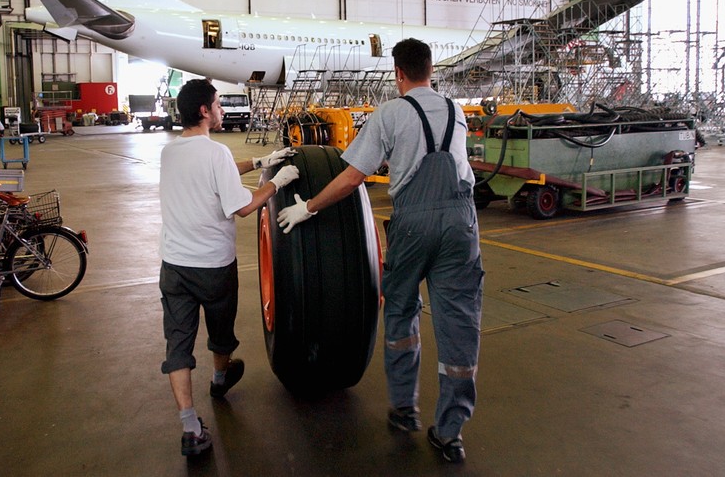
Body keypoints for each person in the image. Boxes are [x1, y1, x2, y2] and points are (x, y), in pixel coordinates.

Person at [277, 38, 484, 464]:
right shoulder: (456, 110)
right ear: (431, 70)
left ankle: (405, 408)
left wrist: (308, 206)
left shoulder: (390, 113)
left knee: (402, 312)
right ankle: (450, 434)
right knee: (460, 325)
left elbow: (352, 177)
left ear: (398, 74)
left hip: (415, 224)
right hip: (463, 225)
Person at [159, 79, 298, 457]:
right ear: (204, 111)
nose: (221, 110)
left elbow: (212, 170)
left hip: (174, 265)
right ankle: (219, 378)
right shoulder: (215, 153)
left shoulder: (170, 153)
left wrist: (257, 162)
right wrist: (275, 182)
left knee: (178, 343)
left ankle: (190, 426)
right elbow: (242, 206)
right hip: (214, 266)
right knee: (220, 331)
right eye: (218, 105)